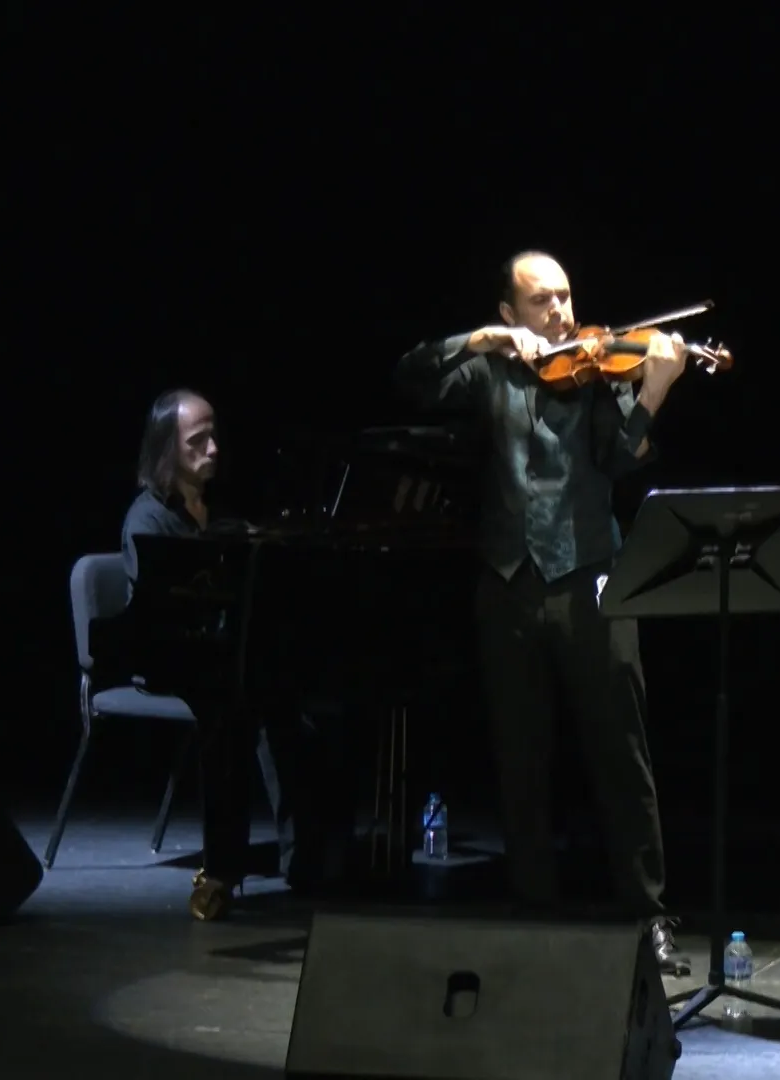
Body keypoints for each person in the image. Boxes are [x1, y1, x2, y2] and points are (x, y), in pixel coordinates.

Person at [394, 252, 692, 976]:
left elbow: (624, 461)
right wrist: (480, 342)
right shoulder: (488, 370)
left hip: (591, 576)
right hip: (507, 582)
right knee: (519, 754)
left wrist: (653, 391)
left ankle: (648, 916)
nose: (560, 313)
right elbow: (411, 378)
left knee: (621, 753)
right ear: (510, 314)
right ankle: (533, 911)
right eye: (540, 302)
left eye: (564, 297)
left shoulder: (596, 370)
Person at [119, 389, 352, 917]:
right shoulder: (148, 519)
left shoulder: (220, 514)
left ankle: (308, 860)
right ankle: (222, 869)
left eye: (214, 436)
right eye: (197, 441)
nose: (214, 449)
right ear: (167, 450)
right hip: (168, 656)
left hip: (223, 655)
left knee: (282, 706)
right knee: (232, 712)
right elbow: (158, 615)